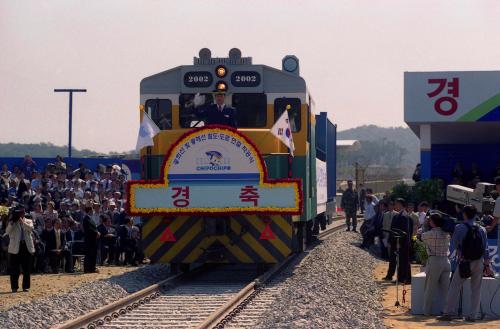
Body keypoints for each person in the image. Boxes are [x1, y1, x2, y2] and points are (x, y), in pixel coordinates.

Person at [440, 205, 490, 322]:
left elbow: (454, 244)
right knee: (476, 289)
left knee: (455, 287)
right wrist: (487, 265)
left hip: (464, 261)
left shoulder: (459, 227)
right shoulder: (482, 229)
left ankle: (448, 312)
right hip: (479, 262)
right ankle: (473, 315)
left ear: (465, 214)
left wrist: (457, 255)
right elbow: (486, 249)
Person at [421, 213, 451, 315]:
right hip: (446, 261)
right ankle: (447, 311)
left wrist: (424, 224)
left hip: (434, 261)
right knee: (446, 290)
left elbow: (419, 236)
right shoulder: (447, 234)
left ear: (432, 222)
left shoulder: (430, 234)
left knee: (430, 287)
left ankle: (426, 311)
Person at [6, 206, 35, 292]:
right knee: (15, 268)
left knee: (26, 268)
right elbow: (7, 231)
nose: (21, 214)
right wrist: (11, 222)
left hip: (26, 247)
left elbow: (31, 229)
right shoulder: (13, 222)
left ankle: (25, 286)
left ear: (24, 212)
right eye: (19, 212)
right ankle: (14, 287)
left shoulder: (29, 221)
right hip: (15, 247)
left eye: (22, 212)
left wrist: (23, 223)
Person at [384, 198, 413, 283]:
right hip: (396, 241)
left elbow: (405, 231)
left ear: (401, 205)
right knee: (399, 260)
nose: (395, 206)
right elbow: (392, 229)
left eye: (396, 204)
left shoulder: (404, 216)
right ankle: (401, 278)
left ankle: (406, 278)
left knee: (404, 260)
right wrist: (390, 240)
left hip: (401, 243)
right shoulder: (398, 215)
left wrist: (400, 242)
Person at [82, 206, 100, 273]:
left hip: (93, 240)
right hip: (89, 240)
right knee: (88, 255)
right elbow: (89, 229)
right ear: (89, 211)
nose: (93, 211)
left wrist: (97, 232)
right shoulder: (86, 219)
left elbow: (94, 228)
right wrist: (96, 232)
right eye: (92, 210)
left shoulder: (90, 219)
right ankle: (87, 269)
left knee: (93, 254)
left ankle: (92, 268)